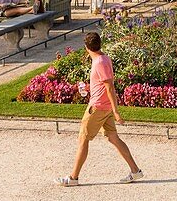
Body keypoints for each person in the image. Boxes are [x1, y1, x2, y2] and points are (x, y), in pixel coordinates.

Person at [57, 32, 144, 186]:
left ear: (86, 47)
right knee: (113, 138)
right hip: (105, 107)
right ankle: (135, 171)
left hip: (97, 108)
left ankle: (73, 178)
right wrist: (89, 87)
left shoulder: (99, 62)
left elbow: (109, 87)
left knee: (83, 139)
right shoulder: (103, 58)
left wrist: (116, 112)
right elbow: (104, 84)